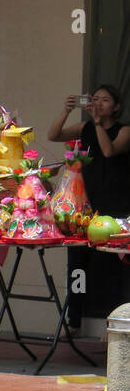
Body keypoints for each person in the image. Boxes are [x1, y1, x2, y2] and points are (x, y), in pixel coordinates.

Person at [49, 84, 130, 323]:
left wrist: (96, 123)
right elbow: (53, 135)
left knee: (115, 267)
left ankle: (115, 320)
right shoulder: (84, 127)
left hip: (116, 204)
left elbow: (108, 151)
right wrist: (66, 111)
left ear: (115, 107)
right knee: (77, 263)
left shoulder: (124, 130)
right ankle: (74, 317)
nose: (99, 103)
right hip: (85, 205)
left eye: (105, 100)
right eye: (95, 99)